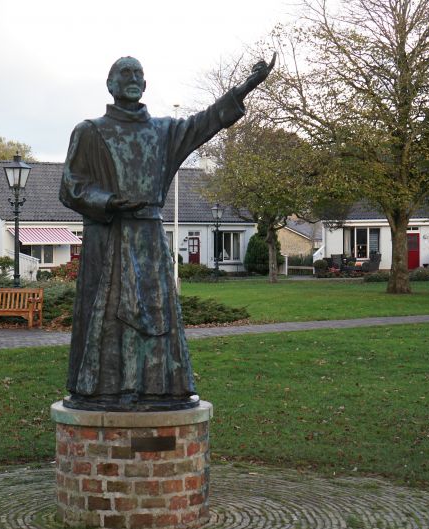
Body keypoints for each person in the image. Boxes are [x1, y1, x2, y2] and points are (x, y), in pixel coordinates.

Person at [59, 54, 275, 411]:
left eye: (138, 73)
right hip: (110, 237)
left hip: (149, 240)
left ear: (145, 85)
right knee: (110, 315)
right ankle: (104, 389)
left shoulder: (163, 131)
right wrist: (109, 201)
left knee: (155, 315)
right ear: (110, 85)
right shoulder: (90, 131)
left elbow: (206, 122)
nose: (132, 77)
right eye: (124, 72)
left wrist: (247, 86)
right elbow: (71, 186)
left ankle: (159, 389)